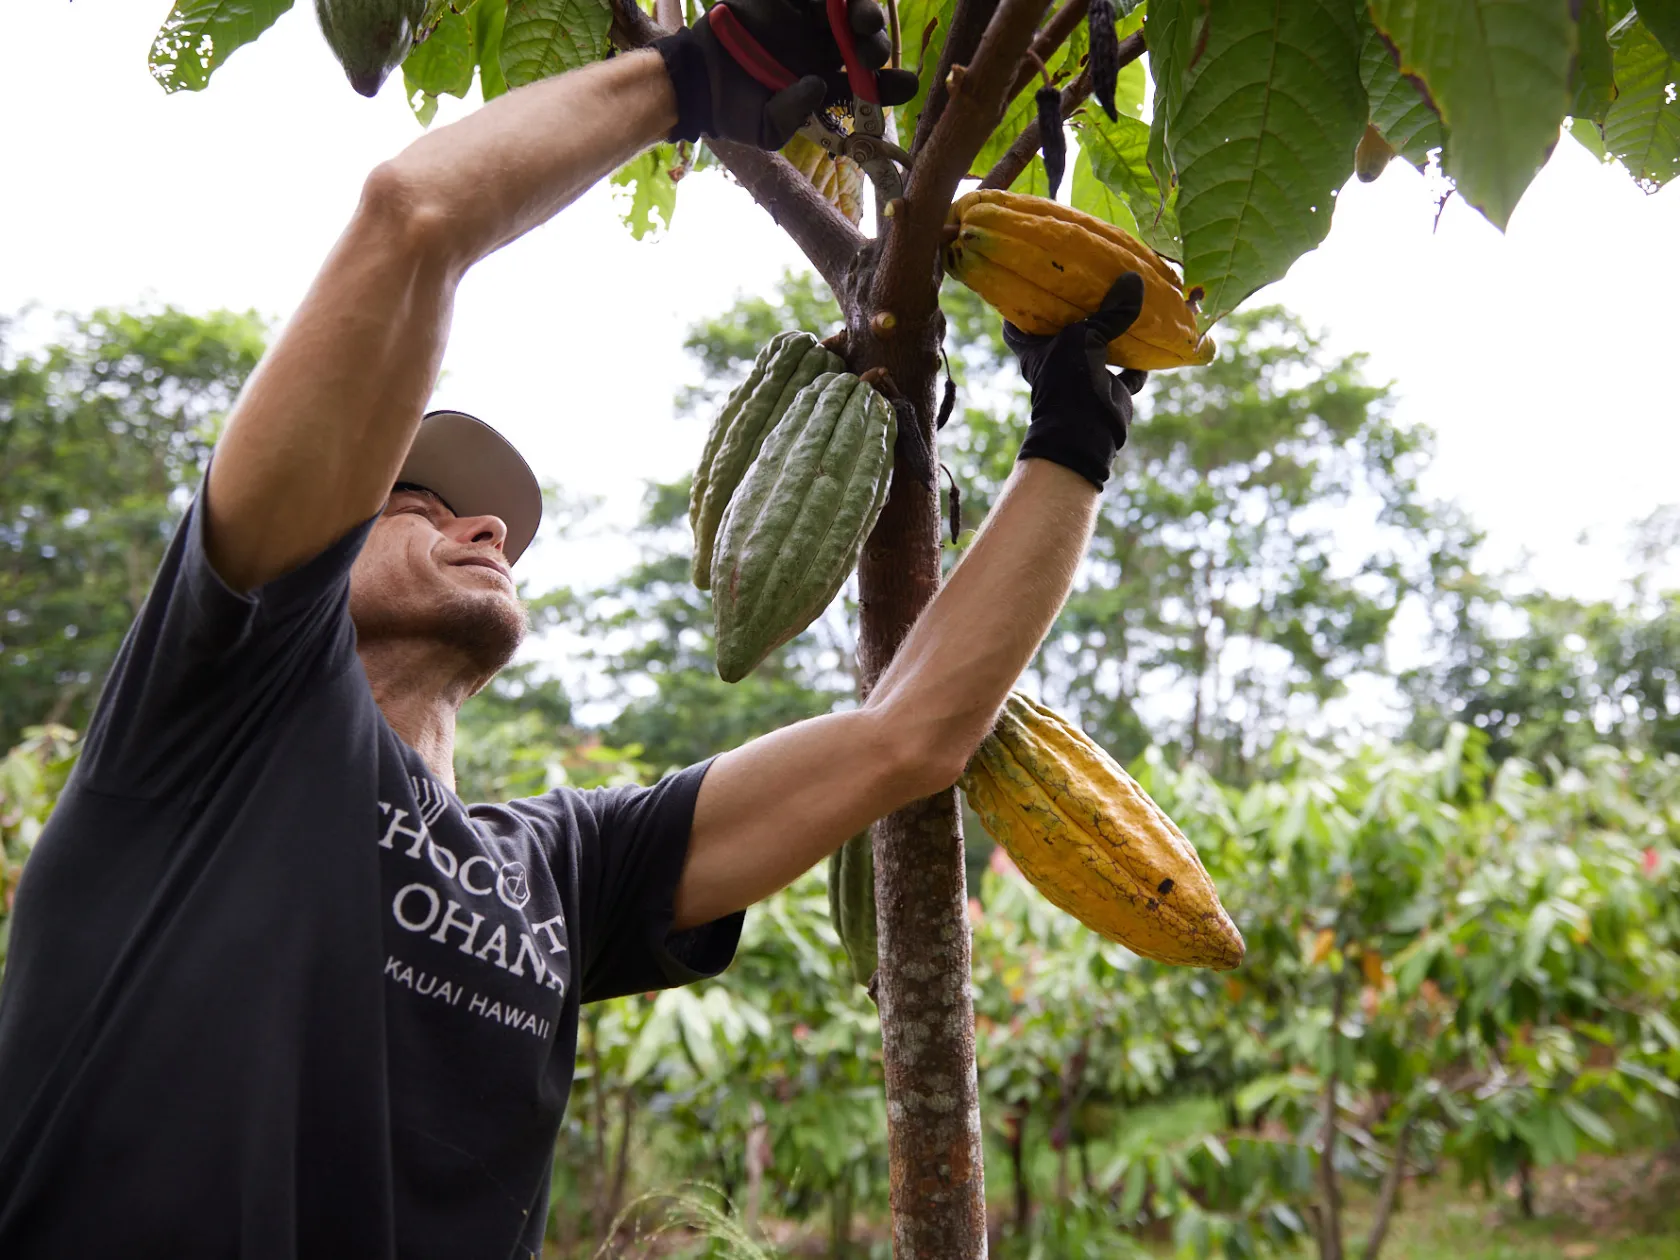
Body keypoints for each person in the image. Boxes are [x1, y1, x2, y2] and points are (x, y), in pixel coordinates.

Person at [0, 1, 1147, 1255]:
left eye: (497, 527)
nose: (485, 531)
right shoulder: (221, 705)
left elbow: (910, 736)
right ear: (320, 544)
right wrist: (708, 70)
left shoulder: (564, 870)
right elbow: (412, 223)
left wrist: (1073, 443)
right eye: (424, 506)